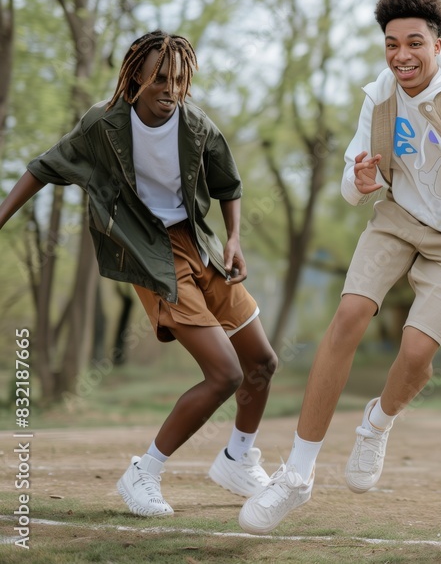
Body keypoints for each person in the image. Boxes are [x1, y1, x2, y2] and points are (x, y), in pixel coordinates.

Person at [238, 0, 441, 535]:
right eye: (391, 43)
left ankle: (377, 423)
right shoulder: (380, 95)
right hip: (397, 220)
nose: (401, 54)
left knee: (416, 354)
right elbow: (354, 178)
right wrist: (362, 181)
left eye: (414, 42)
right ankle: (297, 476)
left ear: (437, 44)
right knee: (349, 316)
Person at [0, 31, 279, 517]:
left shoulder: (196, 126)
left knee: (261, 362)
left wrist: (233, 239)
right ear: (135, 80)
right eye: (159, 81)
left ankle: (238, 456)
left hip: (200, 247)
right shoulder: (102, 126)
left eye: (179, 81)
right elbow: (44, 167)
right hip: (151, 255)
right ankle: (143, 473)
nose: (170, 91)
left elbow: (228, 184)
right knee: (225, 374)